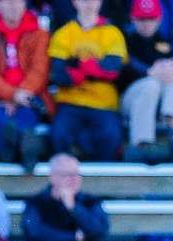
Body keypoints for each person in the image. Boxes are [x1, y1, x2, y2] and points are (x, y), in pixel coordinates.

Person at [0, 0, 51, 169]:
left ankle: (8, 152)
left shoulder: (40, 35)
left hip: (29, 96)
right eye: (7, 2)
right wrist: (12, 95)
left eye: (17, 2)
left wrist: (20, 95)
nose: (12, 6)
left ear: (24, 5)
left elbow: (40, 70)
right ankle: (23, 151)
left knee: (27, 111)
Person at [49, 0, 127, 161]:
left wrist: (77, 64)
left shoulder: (113, 33)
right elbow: (60, 76)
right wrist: (95, 68)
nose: (89, 3)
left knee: (111, 137)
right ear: (75, 2)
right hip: (70, 102)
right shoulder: (63, 33)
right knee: (59, 135)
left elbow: (112, 70)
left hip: (103, 103)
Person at [121, 0, 173, 164]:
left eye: (151, 19)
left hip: (159, 102)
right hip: (128, 101)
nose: (147, 24)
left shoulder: (166, 38)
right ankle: (140, 144)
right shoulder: (125, 37)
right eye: (142, 19)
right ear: (133, 18)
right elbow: (124, 65)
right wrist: (149, 71)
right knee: (151, 83)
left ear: (159, 18)